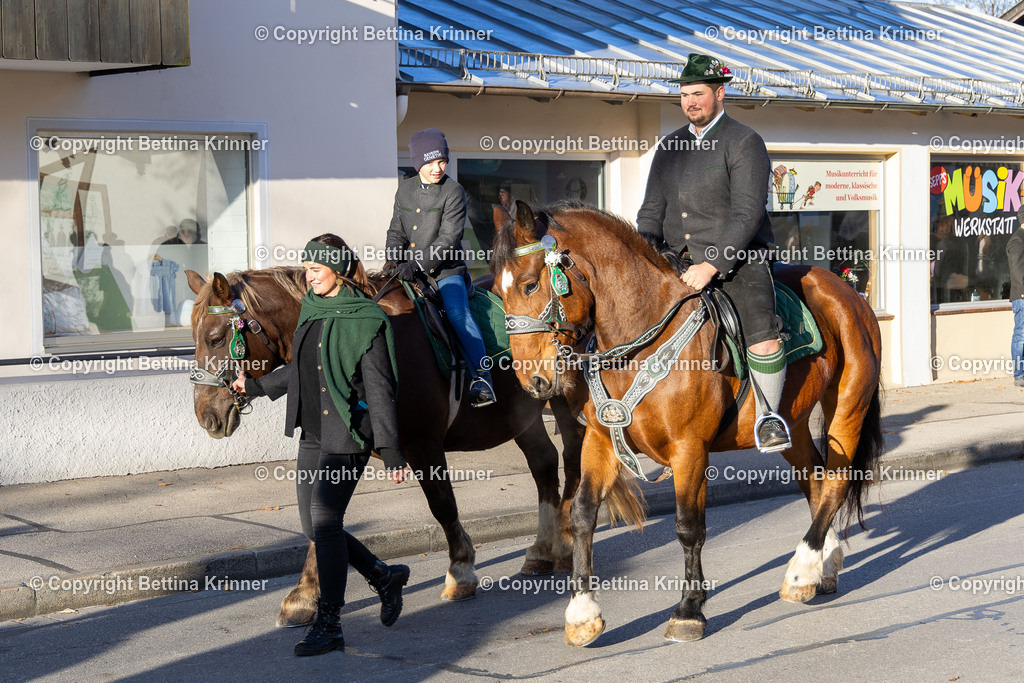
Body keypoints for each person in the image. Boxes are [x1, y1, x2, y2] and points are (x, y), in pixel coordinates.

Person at [233, 234, 411, 656]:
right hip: (313, 434)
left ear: (339, 269)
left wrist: (391, 451)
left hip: (347, 435)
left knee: (327, 521)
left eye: (316, 269)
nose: (309, 277)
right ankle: (383, 576)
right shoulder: (313, 309)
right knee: (313, 528)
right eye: (306, 269)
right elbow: (298, 368)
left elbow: (380, 390)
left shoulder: (366, 319)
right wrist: (253, 387)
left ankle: (330, 623)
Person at [636, 53, 790, 453]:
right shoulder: (669, 146)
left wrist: (712, 265)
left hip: (740, 261)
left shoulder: (745, 141)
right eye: (684, 95)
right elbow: (651, 211)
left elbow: (747, 213)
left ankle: (769, 416)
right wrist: (644, 255)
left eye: (698, 94)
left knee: (762, 335)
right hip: (675, 262)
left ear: (719, 94)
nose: (690, 102)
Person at [385, 128, 496, 407]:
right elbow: (396, 231)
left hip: (446, 271)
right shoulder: (404, 190)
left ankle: (482, 378)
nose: (437, 168)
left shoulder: (453, 191)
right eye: (431, 162)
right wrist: (393, 260)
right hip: (408, 269)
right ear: (417, 163)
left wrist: (417, 264)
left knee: (458, 314)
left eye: (442, 161)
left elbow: (448, 239)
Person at [1006, 208, 1024, 387]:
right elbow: (1017, 270)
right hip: (1022, 296)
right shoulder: (1018, 240)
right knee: (1021, 335)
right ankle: (1019, 375)